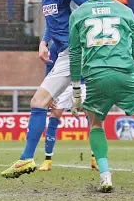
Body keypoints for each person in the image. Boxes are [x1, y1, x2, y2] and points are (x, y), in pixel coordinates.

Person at [0, 0, 89, 179]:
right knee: (39, 102)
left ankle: (29, 157)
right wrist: (44, 41)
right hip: (62, 55)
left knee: (99, 110)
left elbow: (90, 2)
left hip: (80, 53)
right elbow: (52, 20)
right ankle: (26, 159)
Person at [69, 0, 134, 192]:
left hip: (96, 76)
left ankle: (105, 175)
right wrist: (131, 62)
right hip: (125, 73)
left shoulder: (78, 14)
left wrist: (77, 89)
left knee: (96, 123)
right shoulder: (125, 11)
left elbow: (76, 54)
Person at [39, 41, 98, 171]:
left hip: (84, 84)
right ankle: (47, 161)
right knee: (54, 116)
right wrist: (49, 92)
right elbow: (50, 67)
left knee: (93, 119)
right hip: (63, 85)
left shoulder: (87, 40)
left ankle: (95, 159)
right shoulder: (57, 44)